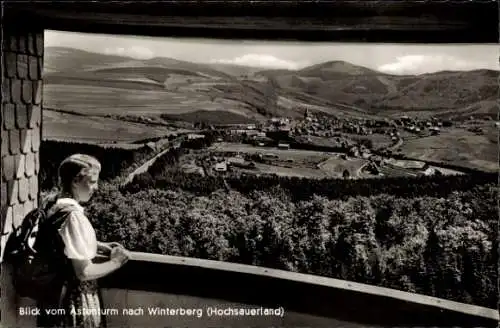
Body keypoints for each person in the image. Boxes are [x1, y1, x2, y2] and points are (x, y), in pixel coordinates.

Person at [36, 154, 131, 328]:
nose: (97, 187)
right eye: (92, 181)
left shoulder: (54, 205)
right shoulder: (73, 216)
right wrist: (117, 262)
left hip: (53, 297)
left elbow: (63, 242)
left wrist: (97, 245)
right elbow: (84, 272)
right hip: (73, 301)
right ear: (75, 181)